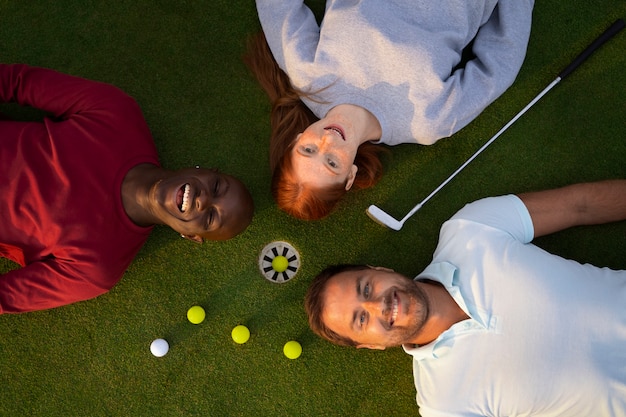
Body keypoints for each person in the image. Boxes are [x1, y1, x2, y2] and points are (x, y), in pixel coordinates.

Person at [305, 179, 626, 416]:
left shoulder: (470, 228)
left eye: (366, 288)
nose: (379, 305)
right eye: (361, 319)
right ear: (370, 346)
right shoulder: (443, 405)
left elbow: (580, 205)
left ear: (379, 269)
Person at [0, 64, 254, 314]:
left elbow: (5, 296)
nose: (204, 200)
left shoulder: (99, 268)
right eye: (217, 186)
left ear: (189, 235)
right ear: (201, 169)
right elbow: (18, 82)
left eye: (211, 217)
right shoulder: (118, 113)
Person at [245, 0, 534, 220]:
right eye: (332, 162)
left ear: (297, 139)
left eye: (308, 150)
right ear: (349, 176)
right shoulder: (426, 122)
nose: (327, 142)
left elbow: (278, 7)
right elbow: (498, 65)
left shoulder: (310, 78)